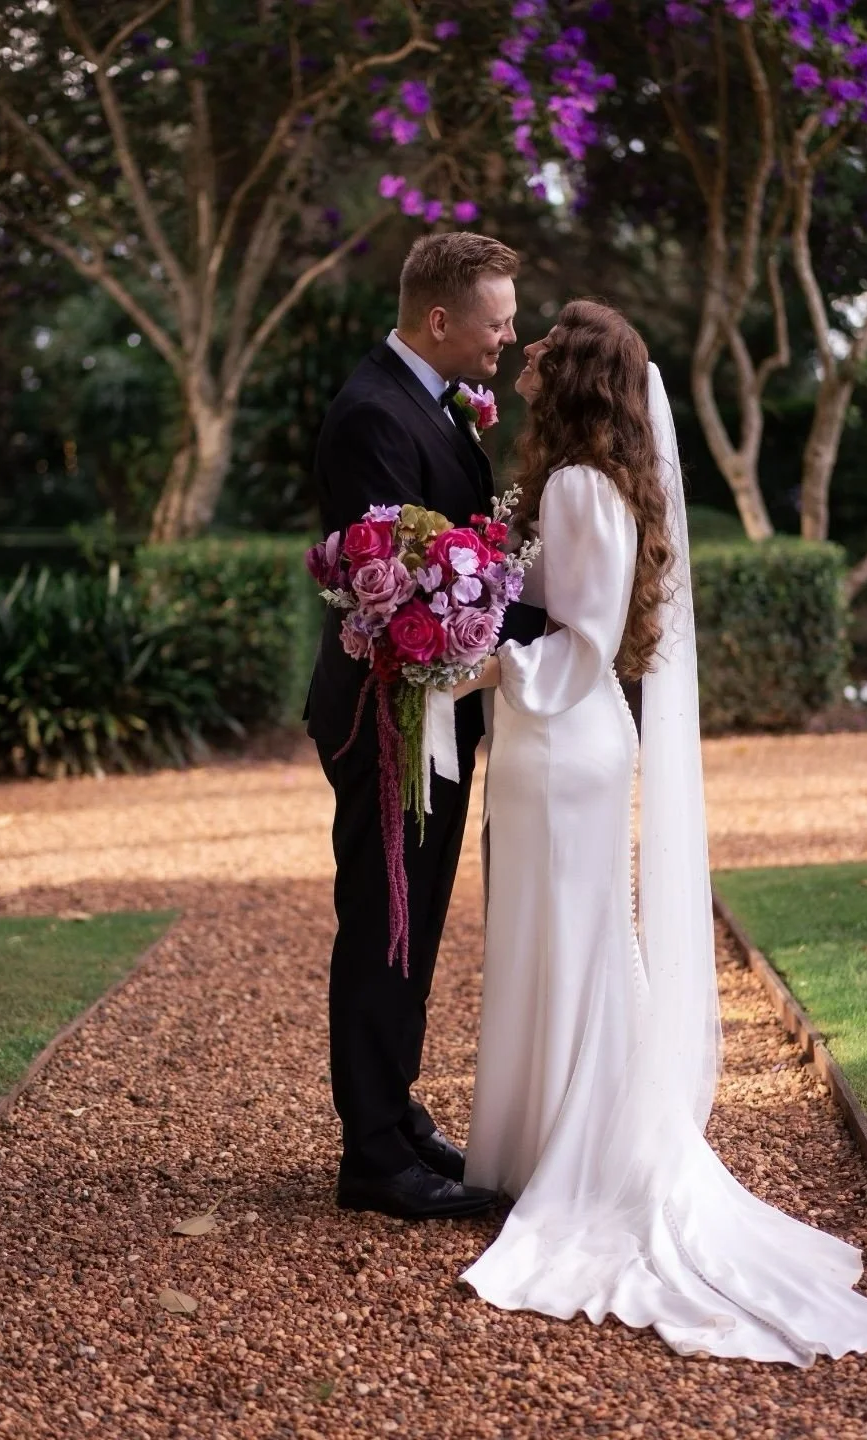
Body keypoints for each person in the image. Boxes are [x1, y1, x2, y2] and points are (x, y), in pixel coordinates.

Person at [454, 299, 867, 1364]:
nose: (525, 363)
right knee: (563, 948)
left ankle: (574, 1159)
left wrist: (486, 661)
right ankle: (538, 1148)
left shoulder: (574, 488)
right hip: (564, 748)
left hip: (563, 747)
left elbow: (582, 641)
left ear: (574, 378)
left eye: (544, 353)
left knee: (572, 949)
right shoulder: (592, 482)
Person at [304, 232, 545, 1220]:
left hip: (436, 713)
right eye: (498, 321)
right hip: (388, 716)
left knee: (417, 917)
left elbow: (458, 565)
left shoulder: (430, 403)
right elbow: (397, 595)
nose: (510, 337)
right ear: (440, 321)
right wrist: (556, 627)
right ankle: (371, 1155)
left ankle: (396, 1117)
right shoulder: (372, 414)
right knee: (382, 919)